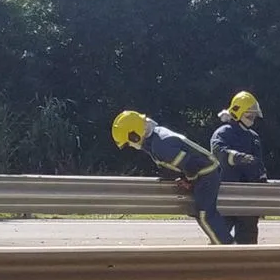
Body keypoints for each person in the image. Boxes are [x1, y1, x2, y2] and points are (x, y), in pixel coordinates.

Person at [111, 110, 234, 245]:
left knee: (205, 215)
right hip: (203, 173)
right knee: (199, 212)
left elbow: (190, 164)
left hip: (206, 173)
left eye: (128, 143)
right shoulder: (155, 138)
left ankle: (228, 249)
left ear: (134, 136)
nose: (131, 146)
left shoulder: (160, 145)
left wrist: (189, 180)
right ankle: (221, 243)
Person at [210, 90, 268, 245]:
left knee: (247, 240)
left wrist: (262, 192)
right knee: (219, 239)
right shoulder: (222, 133)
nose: (252, 119)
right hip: (225, 193)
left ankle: (246, 268)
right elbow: (219, 153)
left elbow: (259, 167)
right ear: (237, 113)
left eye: (254, 115)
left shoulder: (253, 137)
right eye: (249, 115)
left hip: (249, 197)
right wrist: (239, 157)